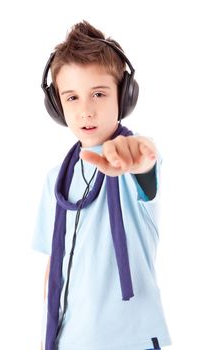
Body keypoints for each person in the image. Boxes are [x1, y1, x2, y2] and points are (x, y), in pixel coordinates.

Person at [32, 20, 171, 350]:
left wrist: (141, 156)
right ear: (57, 107)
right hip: (69, 340)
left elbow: (146, 163)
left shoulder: (130, 161)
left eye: (98, 93)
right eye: (72, 98)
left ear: (124, 95)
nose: (85, 111)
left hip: (131, 339)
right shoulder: (56, 180)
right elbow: (55, 265)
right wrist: (44, 337)